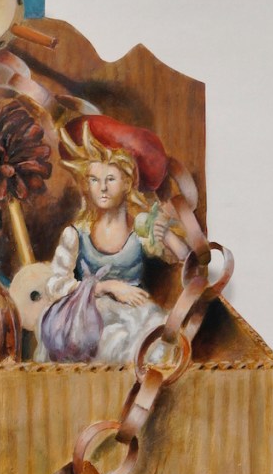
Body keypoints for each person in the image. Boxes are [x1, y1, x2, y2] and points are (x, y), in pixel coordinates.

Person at [35, 119, 187, 363]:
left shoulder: (140, 230)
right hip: (87, 316)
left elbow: (187, 261)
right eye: (94, 180)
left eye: (111, 179)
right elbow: (54, 284)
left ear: (127, 183)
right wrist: (106, 287)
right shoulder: (77, 233)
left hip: (136, 315)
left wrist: (166, 233)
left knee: (158, 341)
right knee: (108, 342)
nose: (102, 188)